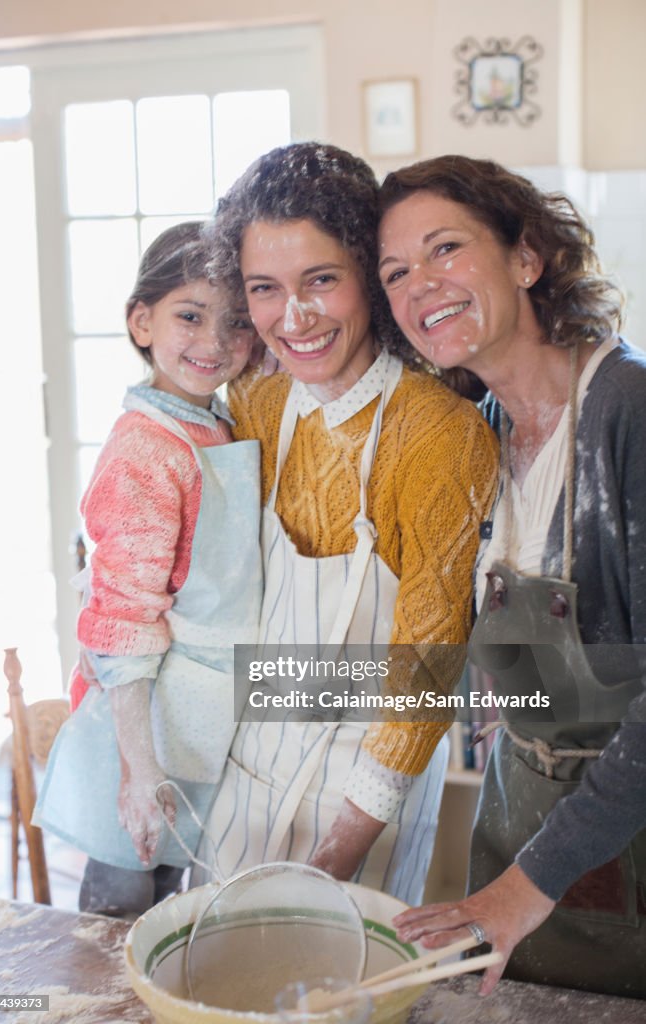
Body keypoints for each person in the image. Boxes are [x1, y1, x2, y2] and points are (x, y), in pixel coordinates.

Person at [191, 143, 498, 903]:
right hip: (247, 766)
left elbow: (427, 665)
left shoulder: (439, 434)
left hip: (369, 792)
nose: (292, 317)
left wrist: (338, 850)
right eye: (265, 289)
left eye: (320, 280)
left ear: (369, 272)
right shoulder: (257, 404)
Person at [377, 154, 646, 998]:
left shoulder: (627, 414)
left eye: (446, 249)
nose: (420, 284)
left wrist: (526, 885)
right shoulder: (477, 435)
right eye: (394, 272)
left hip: (616, 849)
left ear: (528, 259)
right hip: (515, 827)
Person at [33, 222, 262, 917]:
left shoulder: (216, 423)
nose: (214, 343)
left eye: (237, 324)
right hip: (142, 729)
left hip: (198, 719)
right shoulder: (144, 449)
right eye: (189, 316)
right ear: (141, 321)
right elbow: (123, 621)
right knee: (118, 914)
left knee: (169, 910)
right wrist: (138, 771)